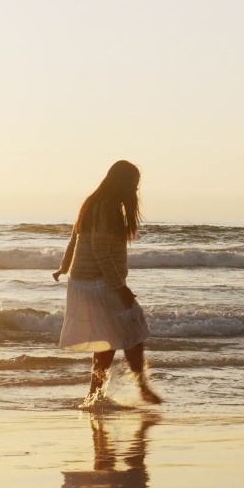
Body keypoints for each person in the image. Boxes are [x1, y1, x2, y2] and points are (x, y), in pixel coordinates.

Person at [54, 160, 161, 406]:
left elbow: (75, 239)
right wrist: (120, 288)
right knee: (131, 328)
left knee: (113, 336)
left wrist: (64, 266)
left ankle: (97, 394)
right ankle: (135, 388)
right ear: (121, 182)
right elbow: (100, 252)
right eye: (133, 185)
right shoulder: (108, 208)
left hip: (84, 281)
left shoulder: (93, 203)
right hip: (97, 282)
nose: (135, 191)